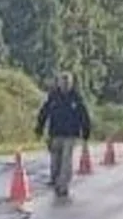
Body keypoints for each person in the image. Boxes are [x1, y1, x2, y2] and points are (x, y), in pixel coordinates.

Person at [35, 71, 91, 199]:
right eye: (63, 81)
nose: (65, 84)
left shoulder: (76, 98)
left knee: (66, 161)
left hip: (70, 135)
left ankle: (63, 185)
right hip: (55, 134)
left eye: (67, 82)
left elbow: (84, 116)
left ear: (71, 83)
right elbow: (44, 113)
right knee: (55, 162)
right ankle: (56, 181)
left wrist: (85, 133)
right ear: (59, 83)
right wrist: (39, 129)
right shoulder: (53, 97)